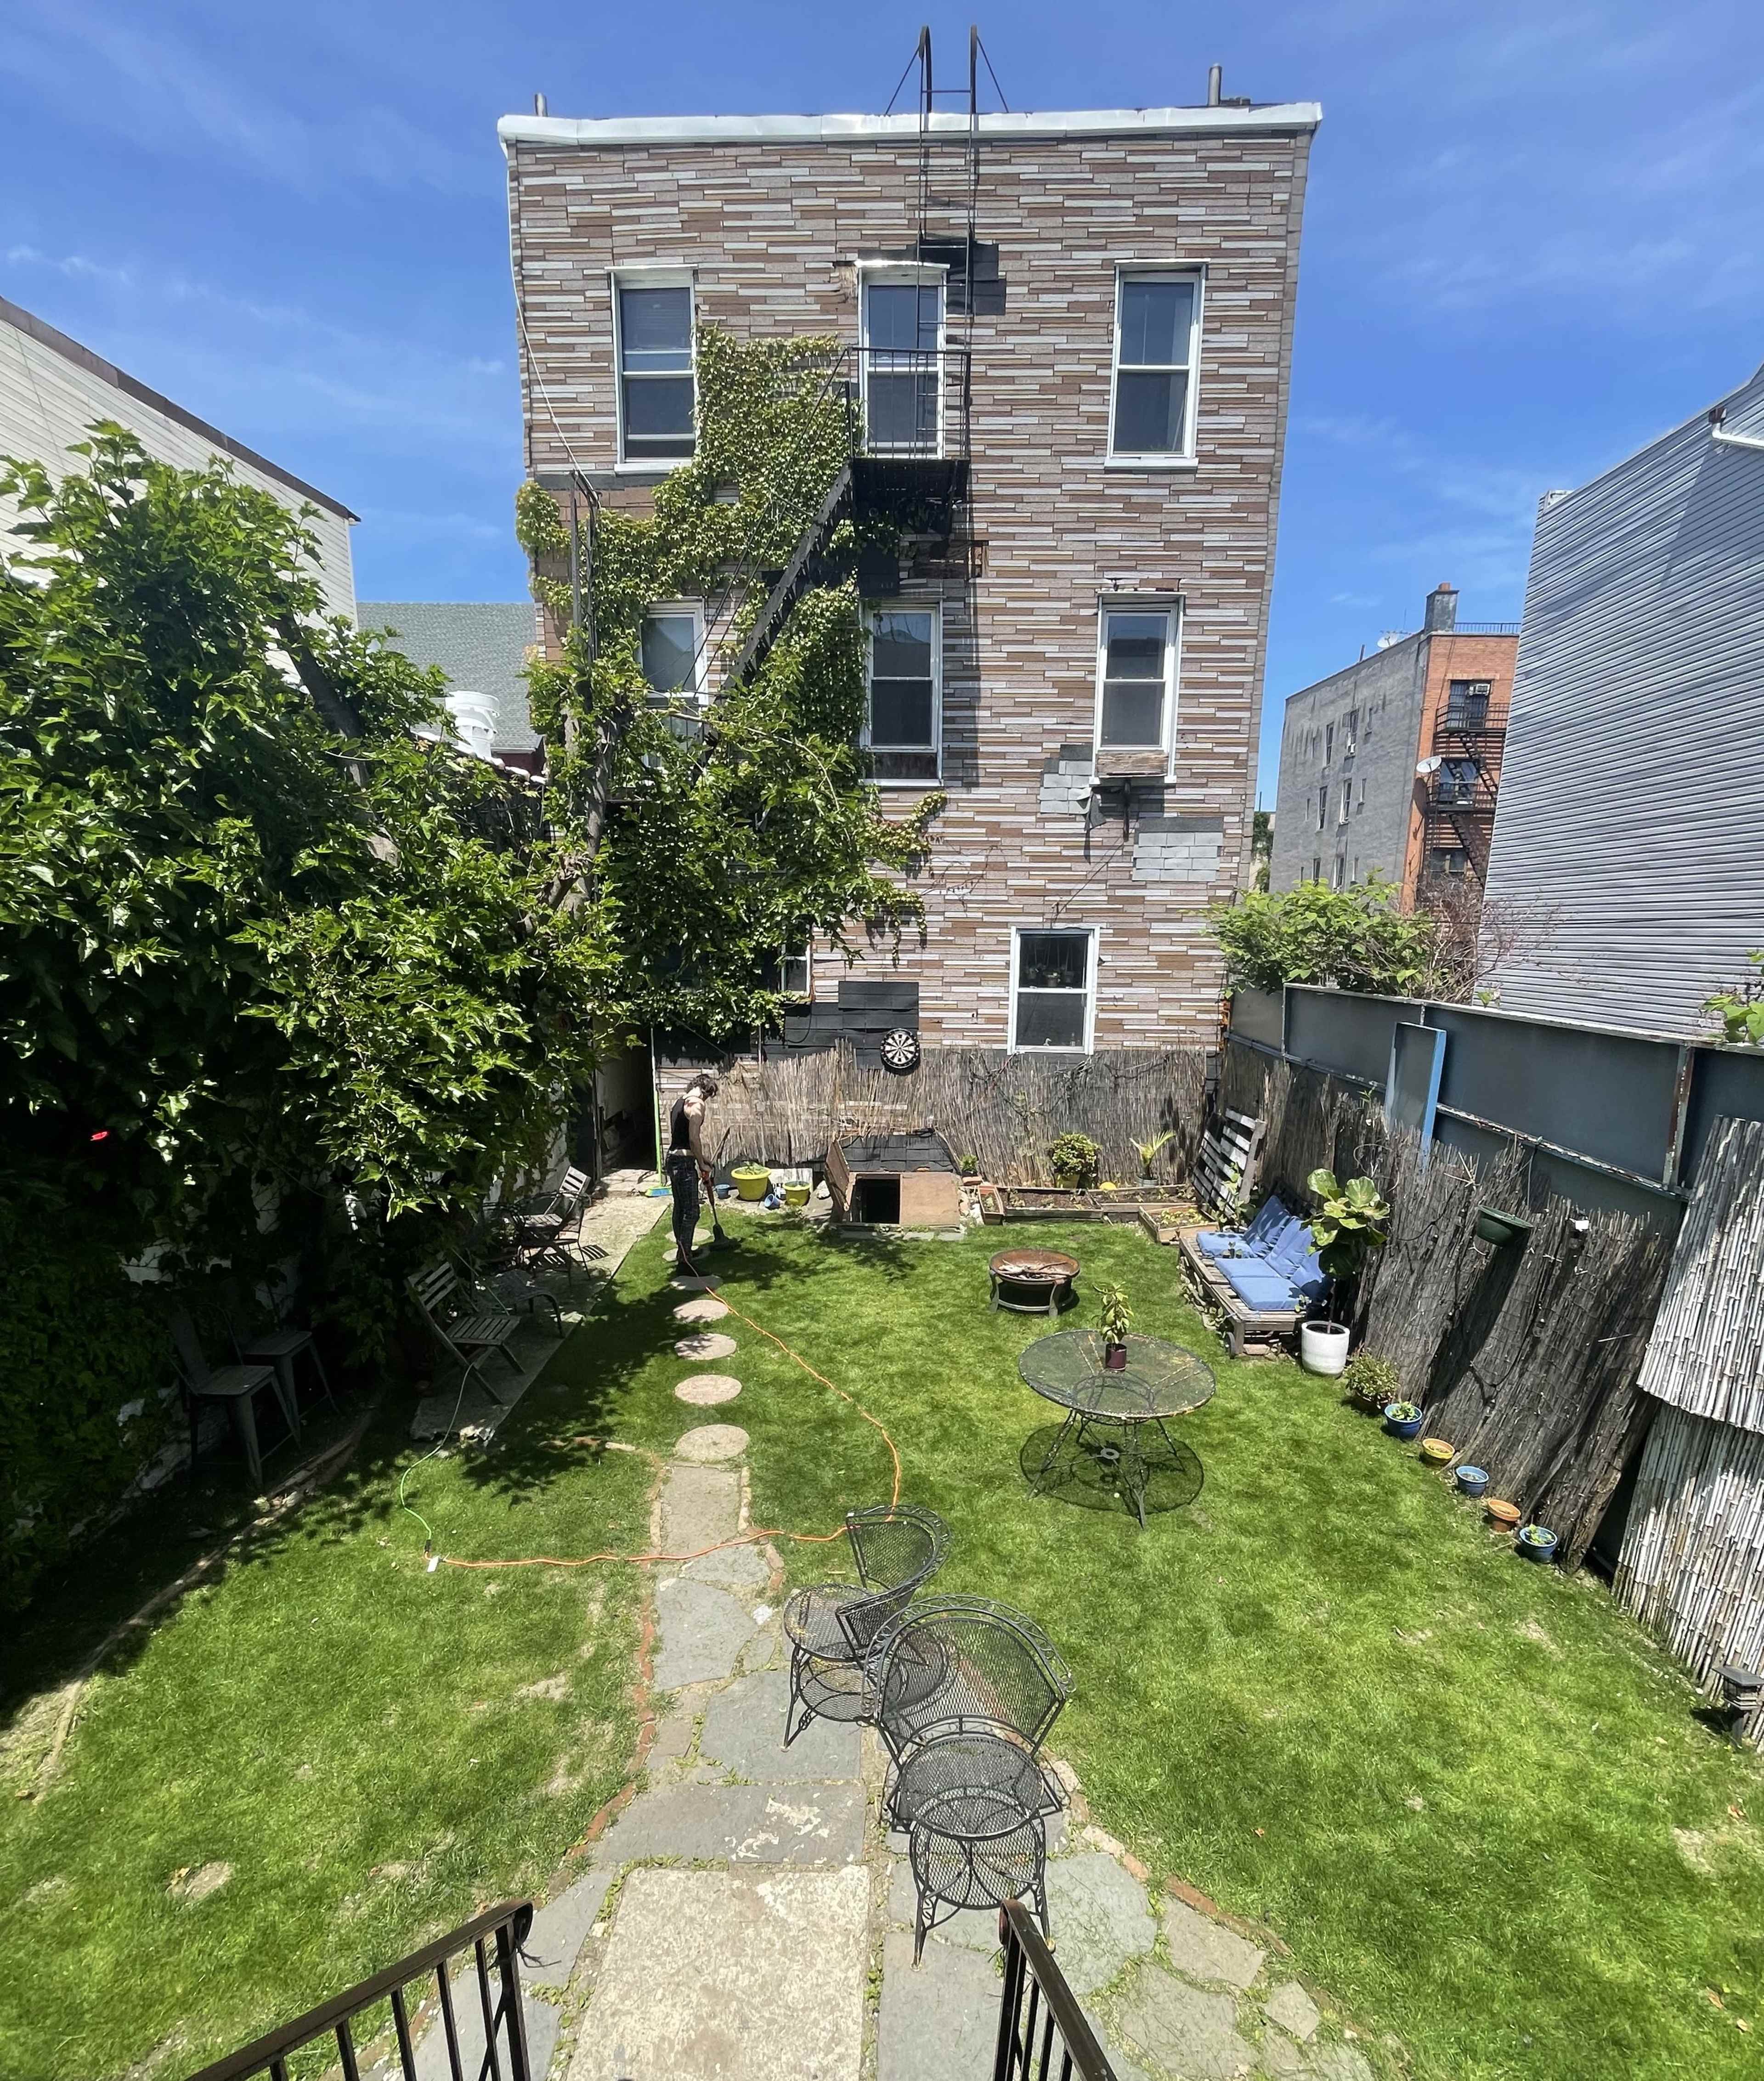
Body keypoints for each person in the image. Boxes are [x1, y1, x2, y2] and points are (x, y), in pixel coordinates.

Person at [667, 1072, 720, 1268]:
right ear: (706, 1091)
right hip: (683, 1165)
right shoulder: (697, 1105)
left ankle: (682, 1251)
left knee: (680, 1208)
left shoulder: (680, 1102)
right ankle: (685, 1256)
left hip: (673, 1159)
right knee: (692, 1211)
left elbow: (682, 1141)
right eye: (709, 1095)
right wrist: (702, 1163)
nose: (707, 1099)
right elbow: (693, 1139)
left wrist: (703, 1159)